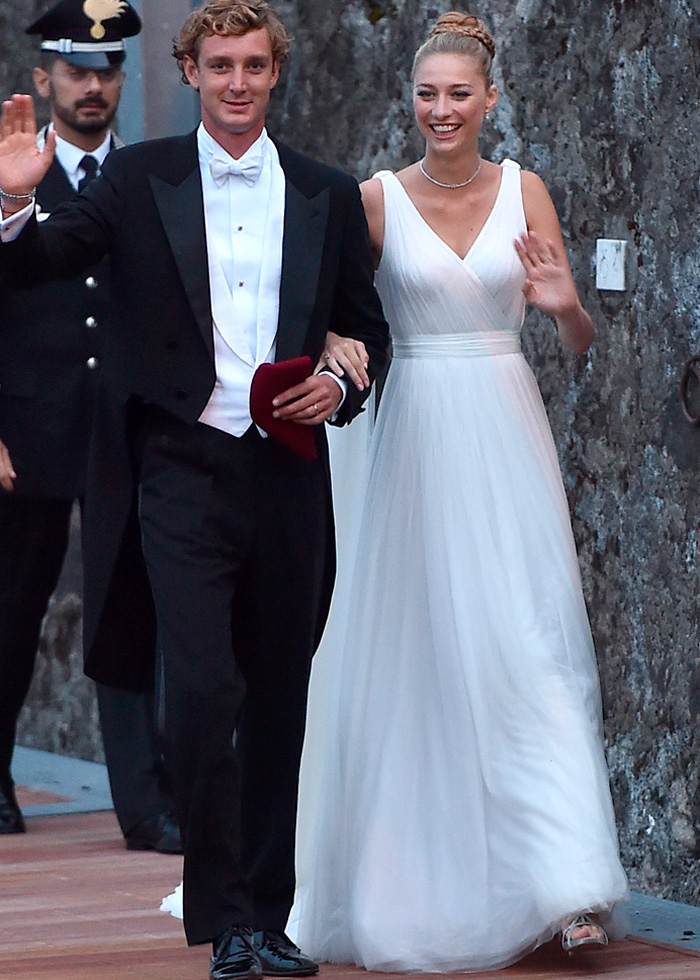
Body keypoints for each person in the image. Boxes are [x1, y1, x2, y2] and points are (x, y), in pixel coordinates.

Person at [0, 1, 389, 977]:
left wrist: (340, 382)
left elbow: (363, 327)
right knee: (204, 688)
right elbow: (48, 258)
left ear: (274, 72)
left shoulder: (326, 193)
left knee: (278, 699)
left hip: (290, 473)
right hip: (178, 469)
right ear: (189, 70)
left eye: (255, 65)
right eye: (219, 65)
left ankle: (268, 915)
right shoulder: (138, 179)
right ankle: (222, 921)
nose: (238, 82)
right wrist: (12, 205)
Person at [289, 12, 628, 973]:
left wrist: (569, 314)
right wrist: (335, 357)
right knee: (423, 655)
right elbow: (339, 322)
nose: (442, 110)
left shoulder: (528, 191)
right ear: (412, 100)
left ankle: (567, 885)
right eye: (427, 94)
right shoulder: (374, 201)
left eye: (458, 94)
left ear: (491, 99)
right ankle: (416, 878)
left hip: (504, 428)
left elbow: (575, 339)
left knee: (530, 645)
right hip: (413, 441)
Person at [0, 0, 181, 855]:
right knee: (8, 613)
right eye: (77, 71)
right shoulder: (7, 175)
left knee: (129, 611)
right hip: (25, 430)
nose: (94, 86)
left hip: (124, 434)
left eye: (108, 72)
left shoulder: (140, 176)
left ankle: (146, 806)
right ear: (44, 79)